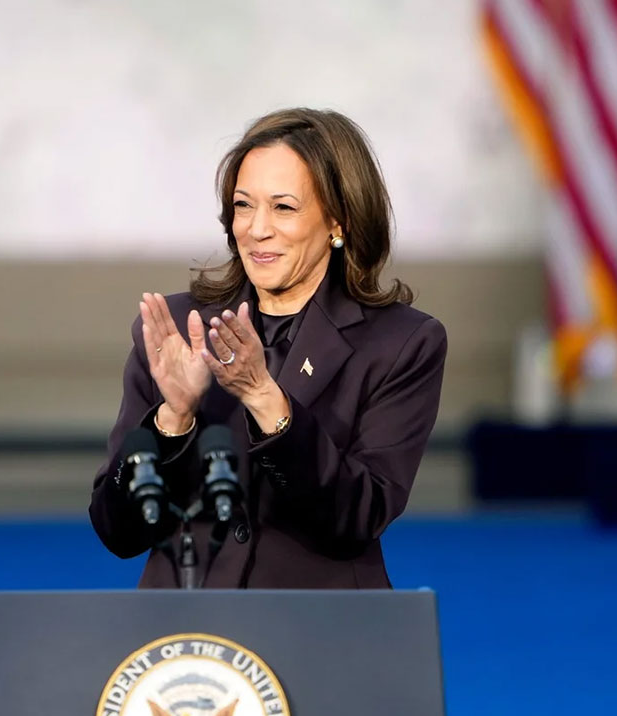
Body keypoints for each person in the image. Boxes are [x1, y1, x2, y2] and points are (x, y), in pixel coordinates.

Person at [88, 107, 448, 588]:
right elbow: (119, 531)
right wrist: (170, 421)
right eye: (243, 205)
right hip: (189, 637)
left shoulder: (402, 344)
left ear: (338, 221)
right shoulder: (178, 329)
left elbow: (357, 518)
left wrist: (264, 397)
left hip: (319, 631)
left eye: (284, 207)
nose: (256, 229)